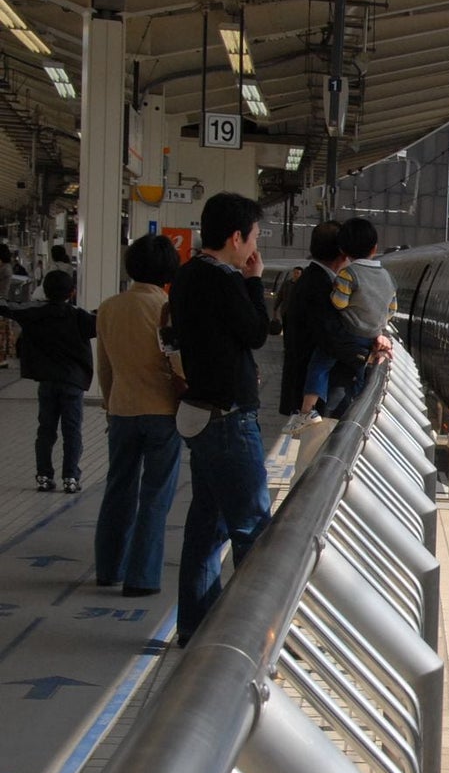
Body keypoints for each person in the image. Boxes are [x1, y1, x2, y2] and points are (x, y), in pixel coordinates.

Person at [168, 191, 272, 646]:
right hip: (228, 420)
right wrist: (254, 281)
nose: (254, 249)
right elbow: (256, 333)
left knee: (206, 527)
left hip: (200, 413)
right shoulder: (225, 280)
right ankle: (259, 636)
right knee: (252, 529)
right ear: (236, 238)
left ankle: (194, 625)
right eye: (253, 238)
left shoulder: (187, 275)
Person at [94, 234, 185, 597]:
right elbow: (175, 359)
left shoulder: (109, 307)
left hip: (122, 408)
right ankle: (142, 577)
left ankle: (108, 568)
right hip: (162, 411)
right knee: (154, 495)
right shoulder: (165, 307)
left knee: (118, 488)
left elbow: (104, 366)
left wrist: (109, 404)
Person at [284, 217, 396, 435]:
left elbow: (340, 308)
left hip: (324, 384)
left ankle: (308, 411)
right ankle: (307, 411)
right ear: (341, 252)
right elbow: (331, 337)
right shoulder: (320, 284)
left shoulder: (322, 279)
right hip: (327, 393)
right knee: (320, 445)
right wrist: (367, 351)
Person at [1, 270, 97, 492]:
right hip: (73, 381)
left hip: (46, 380)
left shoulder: (35, 312)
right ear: (72, 292)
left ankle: (44, 476)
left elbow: (9, 307)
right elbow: (106, 320)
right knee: (72, 430)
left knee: (46, 430)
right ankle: (71, 478)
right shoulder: (80, 317)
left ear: (44, 290)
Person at [269, 264, 301, 335]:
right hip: (285, 310)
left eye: (298, 273)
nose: (295, 275)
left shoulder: (303, 285)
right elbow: (280, 296)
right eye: (295, 272)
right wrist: (275, 308)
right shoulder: (287, 284)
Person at [0, 244, 13, 366]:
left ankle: (2, 358)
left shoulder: (4, 268)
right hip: (4, 301)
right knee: (2, 331)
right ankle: (3, 358)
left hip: (1, 300)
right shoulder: (7, 267)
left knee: (1, 332)